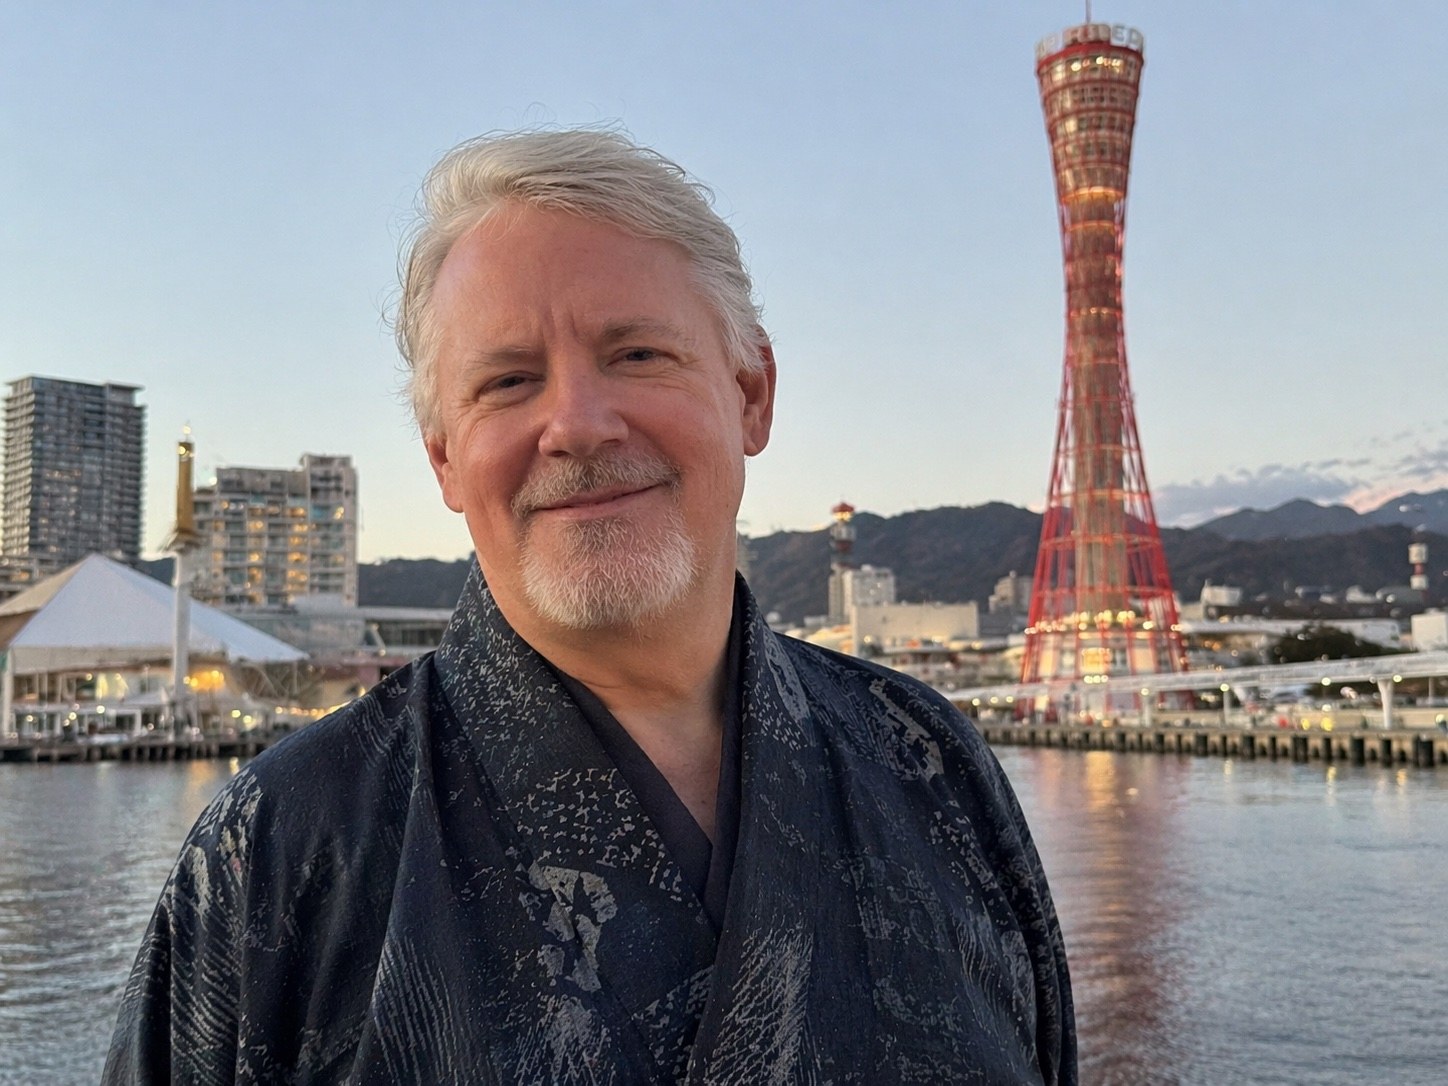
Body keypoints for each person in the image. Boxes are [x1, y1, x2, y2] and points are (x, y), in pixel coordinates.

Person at [104, 129, 1075, 1084]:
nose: (573, 424)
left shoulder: (927, 764)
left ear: (750, 393)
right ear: (444, 456)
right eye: (507, 381)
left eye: (638, 354)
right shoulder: (281, 844)